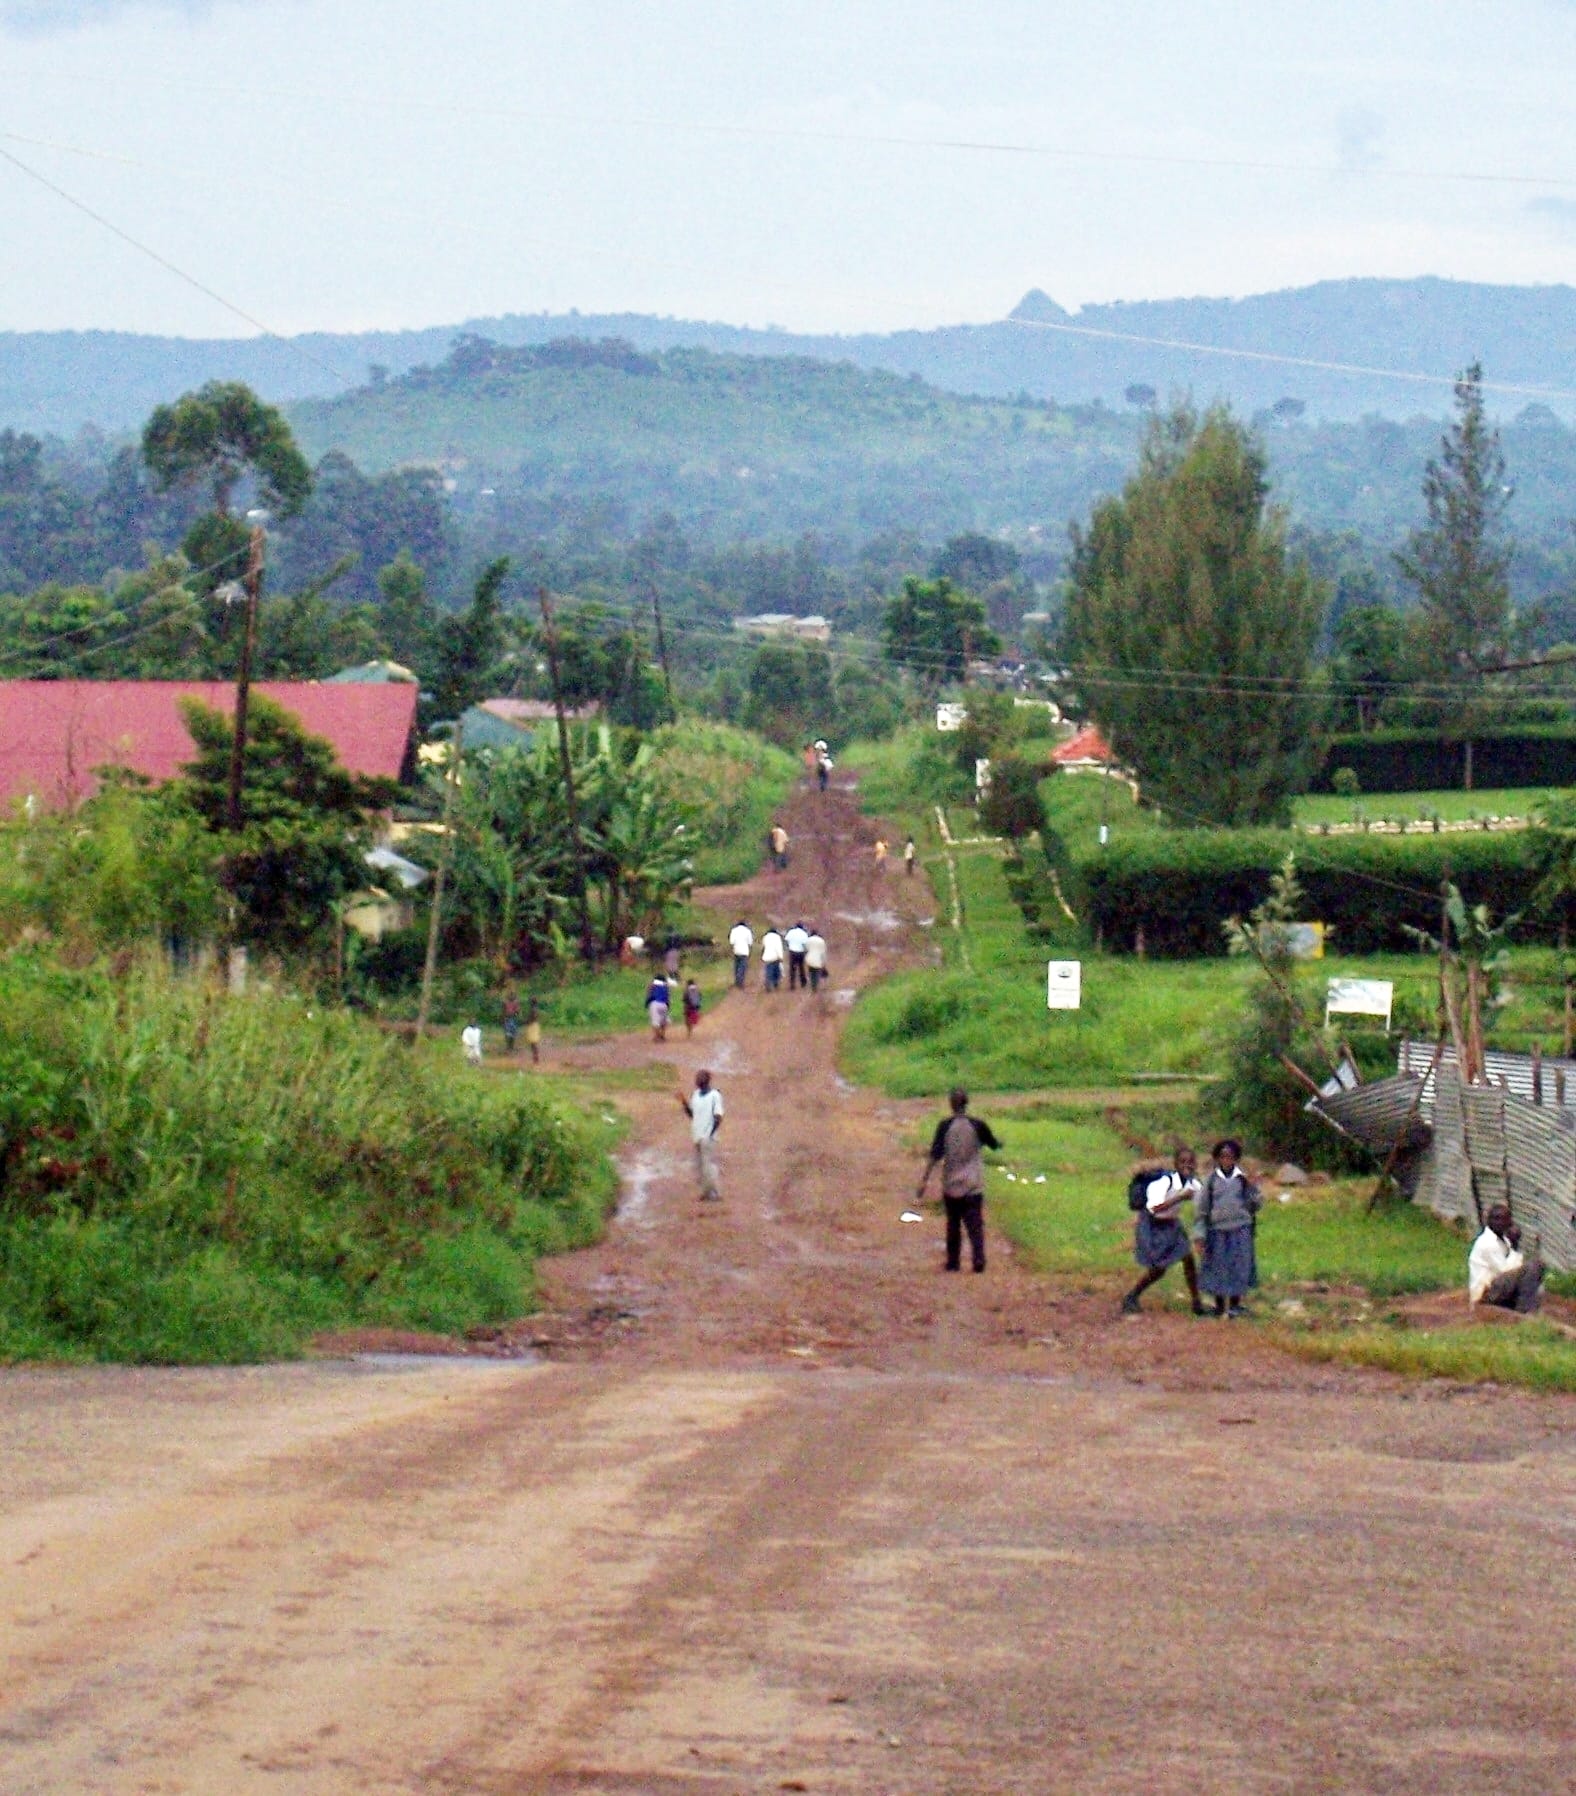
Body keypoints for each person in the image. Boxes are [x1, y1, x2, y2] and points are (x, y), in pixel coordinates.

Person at [916, 1088, 1001, 1273]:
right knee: (975, 1225)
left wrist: (924, 1182)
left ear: (951, 1105)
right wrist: (999, 1143)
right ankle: (978, 1260)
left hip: (951, 1184)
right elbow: (994, 1144)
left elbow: (935, 1155)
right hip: (973, 1183)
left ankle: (953, 1262)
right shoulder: (977, 1125)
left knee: (953, 1224)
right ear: (966, 1103)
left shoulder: (945, 1126)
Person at [1122, 1147, 1207, 1316]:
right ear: (1175, 1164)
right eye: (1183, 1162)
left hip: (1172, 1224)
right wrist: (1180, 1197)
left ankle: (1196, 1302)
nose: (1187, 1166)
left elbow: (1204, 1202)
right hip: (1153, 1225)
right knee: (1159, 1268)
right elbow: (1154, 1208)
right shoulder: (1163, 1182)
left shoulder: (1193, 1183)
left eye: (1191, 1162)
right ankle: (1132, 1296)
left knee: (1188, 1259)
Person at [1194, 1138, 1261, 1317]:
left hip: (1241, 1229)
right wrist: (1199, 1235)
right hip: (1217, 1231)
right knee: (1217, 1267)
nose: (1226, 1160)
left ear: (1236, 1158)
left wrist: (1254, 1187)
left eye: (1230, 1156)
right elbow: (1202, 1209)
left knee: (1239, 1266)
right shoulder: (1210, 1181)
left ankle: (1234, 1305)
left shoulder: (1243, 1180)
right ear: (1217, 1158)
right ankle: (1219, 1306)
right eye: (1223, 1156)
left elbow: (1256, 1205)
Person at [1469, 1202, 1545, 1313]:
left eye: (1503, 1219)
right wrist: (1514, 1246)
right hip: (1484, 1293)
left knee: (1534, 1267)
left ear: (1510, 1222)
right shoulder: (1487, 1243)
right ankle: (1524, 1311)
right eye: (1496, 1219)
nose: (1499, 1223)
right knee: (1532, 1267)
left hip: (1496, 1287)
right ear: (1488, 1221)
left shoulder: (1503, 1240)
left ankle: (1523, 1308)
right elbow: (1506, 1270)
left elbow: (1515, 1267)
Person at [680, 1068, 725, 1202]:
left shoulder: (715, 1096)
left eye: (699, 1079)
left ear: (706, 1081)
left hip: (707, 1137)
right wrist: (684, 1103)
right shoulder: (696, 1095)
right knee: (701, 1166)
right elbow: (692, 1115)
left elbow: (718, 1116)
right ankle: (706, 1192)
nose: (697, 1081)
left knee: (708, 1165)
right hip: (697, 1136)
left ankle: (714, 1192)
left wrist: (711, 1133)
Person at [728, 918, 754, 989]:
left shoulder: (734, 930)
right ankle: (740, 982)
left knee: (736, 966)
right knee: (742, 967)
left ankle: (736, 981)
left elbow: (731, 942)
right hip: (744, 951)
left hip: (736, 950)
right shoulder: (748, 931)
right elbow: (750, 942)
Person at [645, 972, 671, 1042]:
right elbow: (668, 997)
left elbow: (648, 993)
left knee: (655, 1022)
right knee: (663, 1022)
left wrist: (647, 1003)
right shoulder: (666, 986)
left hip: (654, 1004)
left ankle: (657, 1036)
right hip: (664, 1004)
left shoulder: (652, 985)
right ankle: (662, 1035)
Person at [785, 919, 810, 990]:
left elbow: (786, 940)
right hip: (800, 952)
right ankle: (803, 982)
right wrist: (805, 951)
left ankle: (792, 984)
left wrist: (789, 946)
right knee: (801, 967)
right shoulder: (804, 933)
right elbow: (805, 944)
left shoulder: (791, 932)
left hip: (792, 952)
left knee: (792, 969)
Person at [760, 924, 785, 992]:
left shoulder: (765, 937)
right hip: (775, 957)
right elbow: (779, 948)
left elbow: (763, 946)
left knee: (768, 971)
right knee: (776, 971)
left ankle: (767, 984)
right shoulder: (777, 937)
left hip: (767, 956)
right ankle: (775, 984)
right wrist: (780, 957)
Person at [805, 925, 828, 992]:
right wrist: (824, 961)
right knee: (817, 972)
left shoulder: (808, 940)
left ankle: (813, 985)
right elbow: (823, 952)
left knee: (811, 972)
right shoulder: (821, 941)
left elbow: (806, 949)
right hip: (818, 958)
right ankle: (815, 985)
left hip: (809, 958)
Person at [523, 995, 542, 1066]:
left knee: (533, 1043)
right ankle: (535, 1058)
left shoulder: (533, 1010)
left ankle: (536, 1058)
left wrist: (525, 1021)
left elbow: (532, 1018)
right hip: (534, 1025)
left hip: (532, 1026)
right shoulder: (535, 1009)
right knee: (533, 1043)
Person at [502, 989, 521, 1054]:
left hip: (513, 1019)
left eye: (513, 995)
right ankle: (508, 1048)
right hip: (507, 1019)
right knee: (507, 1034)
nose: (512, 996)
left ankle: (511, 1048)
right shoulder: (505, 1002)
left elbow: (517, 1011)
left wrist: (514, 1013)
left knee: (513, 1034)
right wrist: (503, 1019)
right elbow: (503, 1011)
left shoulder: (516, 1002)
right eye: (511, 995)